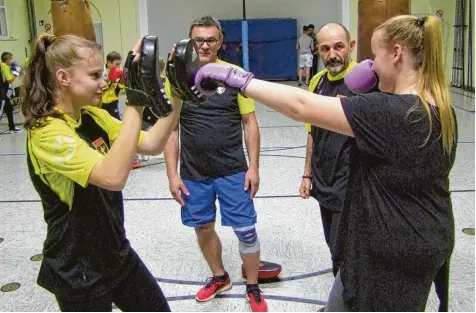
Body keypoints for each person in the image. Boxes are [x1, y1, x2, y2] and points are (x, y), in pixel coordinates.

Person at [194, 14, 457, 311]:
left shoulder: (389, 112)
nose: (370, 64)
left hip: (391, 253)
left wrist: (237, 79)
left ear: (396, 54)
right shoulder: (436, 105)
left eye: (375, 55)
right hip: (424, 235)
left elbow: (300, 106)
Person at [20, 33, 182, 312]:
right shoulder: (47, 133)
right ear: (63, 77)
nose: (105, 82)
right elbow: (113, 177)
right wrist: (135, 102)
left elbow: (152, 144)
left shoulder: (93, 116)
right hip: (78, 268)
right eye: (95, 75)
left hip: (115, 251)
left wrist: (177, 92)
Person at [163, 15, 267, 312]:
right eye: (199, 40)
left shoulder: (235, 74)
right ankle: (220, 276)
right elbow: (171, 128)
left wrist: (254, 167)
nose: (205, 45)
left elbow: (250, 123)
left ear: (220, 41)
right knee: (203, 227)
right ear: (190, 42)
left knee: (246, 229)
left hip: (233, 169)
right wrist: (172, 175)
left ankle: (253, 285)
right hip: (194, 173)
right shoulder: (178, 76)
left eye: (211, 39)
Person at [300, 22, 356, 278]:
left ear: (351, 46)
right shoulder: (316, 81)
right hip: (324, 179)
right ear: (317, 50)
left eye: (338, 47)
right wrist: (307, 174)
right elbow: (312, 132)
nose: (332, 55)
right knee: (333, 247)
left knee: (346, 250)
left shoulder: (365, 81)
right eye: (325, 49)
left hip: (353, 182)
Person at [1, 52, 23, 133]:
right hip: (1, 93)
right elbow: (10, 80)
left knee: (9, 108)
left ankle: (12, 127)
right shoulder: (4, 66)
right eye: (11, 59)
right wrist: (16, 72)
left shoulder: (4, 66)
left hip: (3, 92)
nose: (12, 61)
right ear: (7, 59)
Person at [101, 51, 124, 120]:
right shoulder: (100, 72)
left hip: (114, 102)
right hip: (101, 103)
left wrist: (122, 82)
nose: (118, 66)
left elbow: (120, 89)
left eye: (119, 64)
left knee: (117, 122)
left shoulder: (119, 72)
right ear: (109, 63)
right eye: (117, 64)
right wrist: (110, 82)